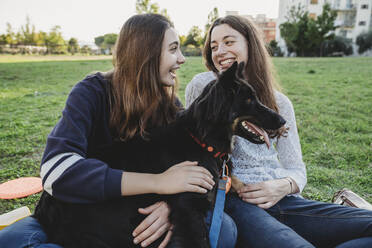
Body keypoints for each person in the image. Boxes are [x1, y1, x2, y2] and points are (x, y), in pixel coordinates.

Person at [0, 14, 237, 248]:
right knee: (11, 239)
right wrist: (158, 182)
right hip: (71, 214)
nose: (182, 59)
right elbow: (57, 172)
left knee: (222, 228)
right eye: (173, 49)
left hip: (127, 220)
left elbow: (196, 174)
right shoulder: (92, 92)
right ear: (146, 53)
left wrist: (172, 207)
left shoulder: (170, 108)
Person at [185, 15, 372, 248]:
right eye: (213, 46)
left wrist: (282, 186)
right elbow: (194, 149)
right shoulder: (204, 86)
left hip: (284, 198)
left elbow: (297, 169)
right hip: (238, 199)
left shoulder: (280, 103)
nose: (220, 51)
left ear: (250, 45)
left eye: (229, 42)